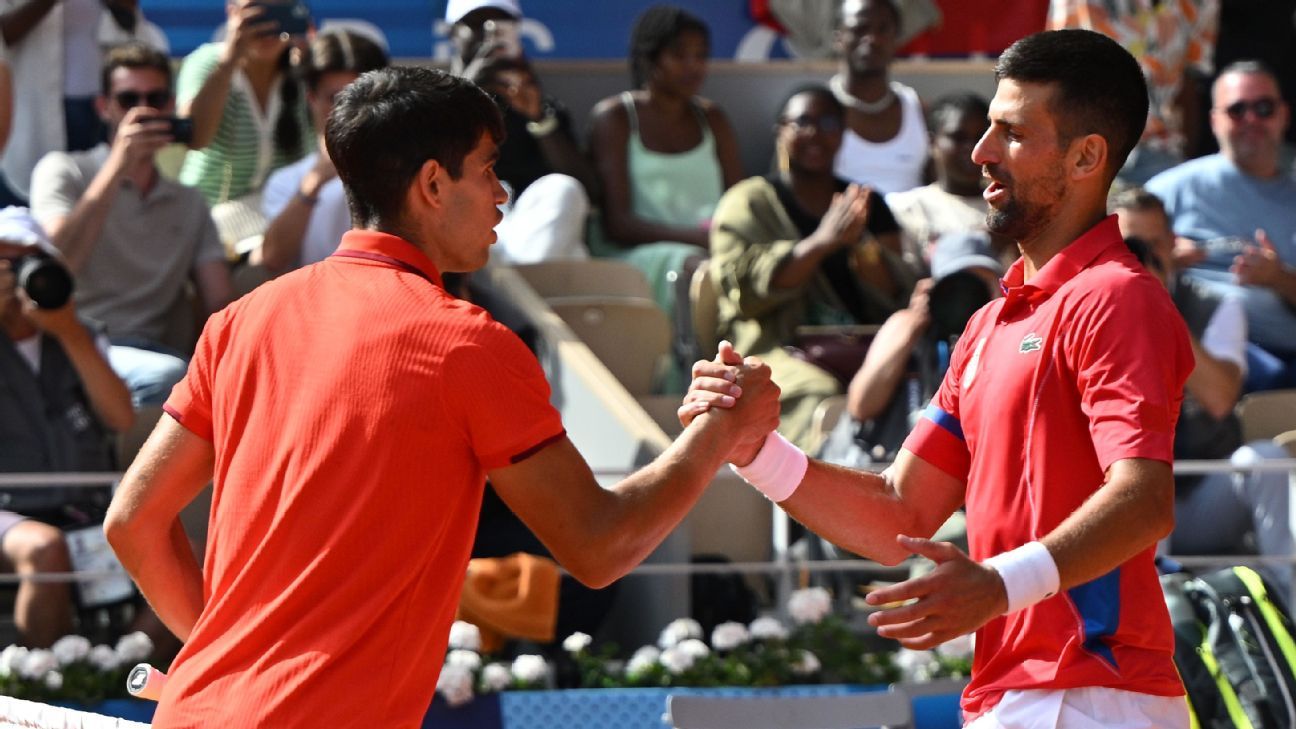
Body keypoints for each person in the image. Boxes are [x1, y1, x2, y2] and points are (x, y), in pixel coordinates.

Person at [103, 66, 779, 728]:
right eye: (487, 169)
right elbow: (599, 546)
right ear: (432, 183)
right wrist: (715, 433)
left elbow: (132, 522)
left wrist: (228, 656)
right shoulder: (468, 344)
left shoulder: (239, 321)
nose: (501, 194)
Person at [688, 29, 1194, 727]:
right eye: (987, 127)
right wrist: (753, 448)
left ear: (1086, 156)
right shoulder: (989, 325)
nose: (982, 151)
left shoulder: (1117, 295)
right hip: (1018, 694)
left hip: (1090, 694)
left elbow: (1144, 501)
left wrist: (997, 585)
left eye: (1012, 133)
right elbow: (900, 510)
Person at [30, 42, 233, 408]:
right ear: (103, 106)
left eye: (155, 98)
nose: (143, 111)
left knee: (190, 380)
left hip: (154, 352)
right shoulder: (64, 170)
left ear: (170, 106)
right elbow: (57, 265)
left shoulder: (188, 202)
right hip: (74, 346)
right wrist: (117, 167)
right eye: (127, 100)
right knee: (167, 377)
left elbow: (218, 300)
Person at [710, 84, 912, 450]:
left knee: (921, 381)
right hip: (776, 349)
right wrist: (822, 242)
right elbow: (741, 293)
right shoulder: (749, 202)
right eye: (802, 122)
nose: (815, 133)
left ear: (843, 133)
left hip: (867, 345)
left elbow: (897, 294)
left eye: (829, 122)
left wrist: (863, 250)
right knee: (820, 393)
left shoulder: (866, 203)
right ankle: (813, 496)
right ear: (780, 131)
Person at [1112, 187, 1292, 597]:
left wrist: (1158, 306)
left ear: (1173, 244)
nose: (1141, 255)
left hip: (1200, 498)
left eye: (1152, 244)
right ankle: (1152, 609)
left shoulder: (1214, 304)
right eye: (1128, 245)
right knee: (1139, 474)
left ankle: (1290, 603)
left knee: (1266, 459)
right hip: (1124, 504)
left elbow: (1220, 398)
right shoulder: (1086, 306)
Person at [0, 207, 133, 647]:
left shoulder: (81, 333)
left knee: (184, 555)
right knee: (45, 550)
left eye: (28, 261)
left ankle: (114, 674)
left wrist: (68, 331)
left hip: (85, 507)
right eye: (5, 262)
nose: (17, 277)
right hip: (10, 513)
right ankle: (38, 690)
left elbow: (120, 418)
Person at [1146, 61, 1296, 392]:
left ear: (1283, 115)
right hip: (1201, 345)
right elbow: (1121, 261)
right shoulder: (1169, 190)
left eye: (1264, 108)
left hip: (1283, 353)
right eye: (1237, 110)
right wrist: (1164, 257)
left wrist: (1279, 278)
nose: (1251, 120)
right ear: (1215, 120)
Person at [587, 4, 743, 316]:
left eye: (701, 55)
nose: (693, 66)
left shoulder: (714, 118)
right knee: (701, 270)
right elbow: (618, 225)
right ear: (649, 58)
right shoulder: (615, 118)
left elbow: (739, 201)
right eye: (680, 55)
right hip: (637, 255)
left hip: (714, 251)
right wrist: (700, 239)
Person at [0, 0, 166, 207]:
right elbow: (4, 32)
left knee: (104, 210)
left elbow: (128, 14)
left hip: (106, 111)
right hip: (31, 121)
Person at [258, 30, 388, 275]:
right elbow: (272, 259)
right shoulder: (287, 182)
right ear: (311, 99)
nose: (350, 110)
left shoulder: (409, 168)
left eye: (361, 96)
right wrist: (314, 183)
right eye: (335, 98)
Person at [176, 0, 312, 209]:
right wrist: (229, 62)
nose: (267, 28)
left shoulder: (303, 72)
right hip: (205, 215)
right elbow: (194, 138)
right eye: (257, 13)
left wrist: (317, 65)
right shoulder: (206, 63)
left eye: (278, 13)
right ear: (233, 13)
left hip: (273, 217)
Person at [884, 93, 997, 272]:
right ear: (931, 141)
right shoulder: (906, 208)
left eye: (980, 137)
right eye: (958, 138)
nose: (972, 147)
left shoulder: (1007, 205)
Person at [830, 0, 929, 196]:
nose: (872, 39)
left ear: (897, 38)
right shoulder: (816, 111)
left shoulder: (918, 110)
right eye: (859, 28)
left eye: (883, 29)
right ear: (839, 38)